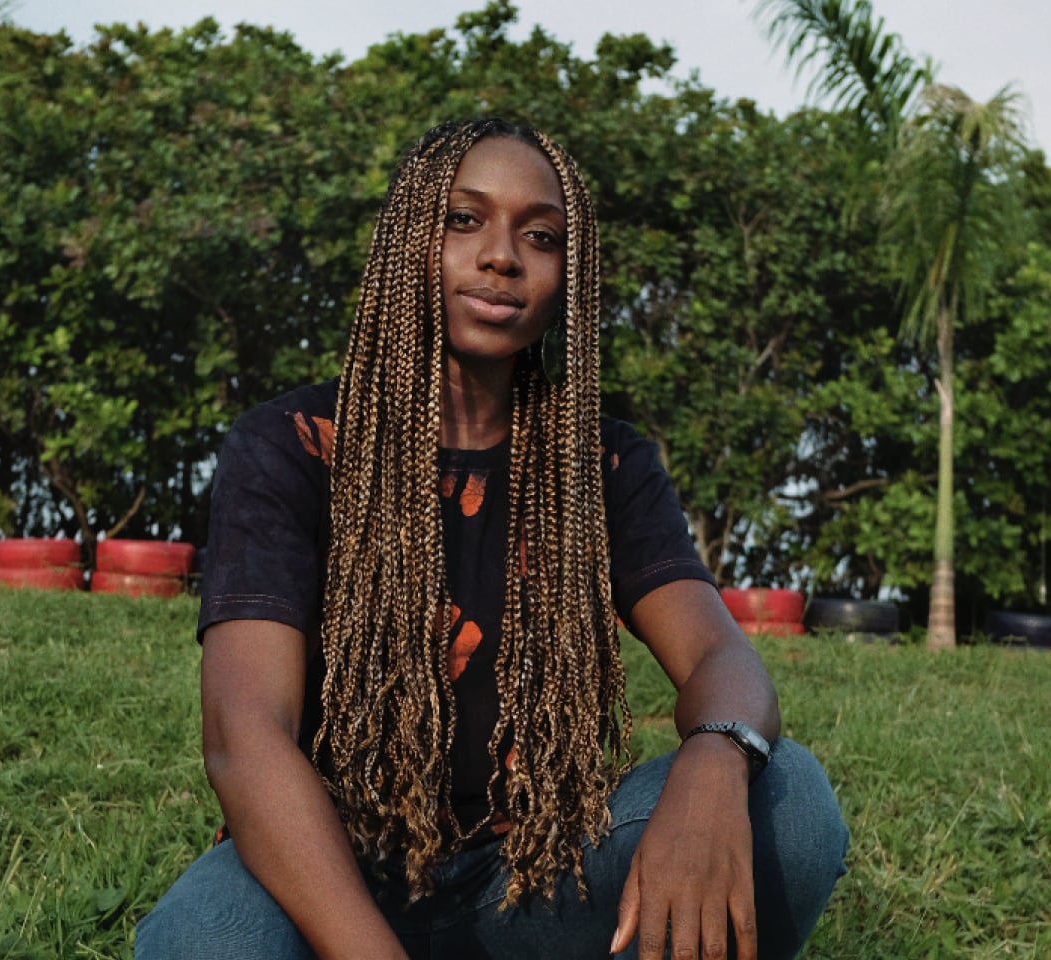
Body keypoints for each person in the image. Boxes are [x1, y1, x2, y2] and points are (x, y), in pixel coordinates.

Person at [135, 118, 848, 960]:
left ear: (567, 273)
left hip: (538, 876)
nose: (501, 256)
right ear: (409, 241)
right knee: (202, 940)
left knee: (789, 801)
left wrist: (716, 764)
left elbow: (720, 661)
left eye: (539, 235)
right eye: (462, 220)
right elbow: (243, 735)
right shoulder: (290, 445)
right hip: (330, 878)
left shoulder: (602, 462)